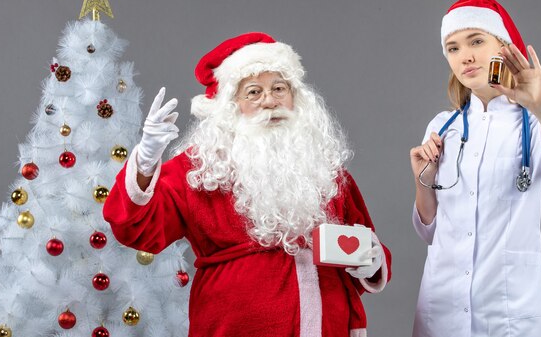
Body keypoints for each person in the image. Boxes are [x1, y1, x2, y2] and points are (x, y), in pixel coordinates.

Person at [103, 32, 391, 337]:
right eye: (254, 92)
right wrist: (146, 161)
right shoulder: (201, 168)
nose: (270, 101)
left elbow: (364, 242)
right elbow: (136, 229)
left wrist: (371, 261)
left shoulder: (324, 168)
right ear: (230, 106)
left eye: (279, 88)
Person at [409, 0, 541, 337]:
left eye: (476, 41)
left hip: (513, 310)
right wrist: (424, 181)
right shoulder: (442, 127)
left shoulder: (536, 123)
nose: (466, 56)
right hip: (443, 308)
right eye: (454, 48)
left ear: (504, 47)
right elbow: (429, 232)